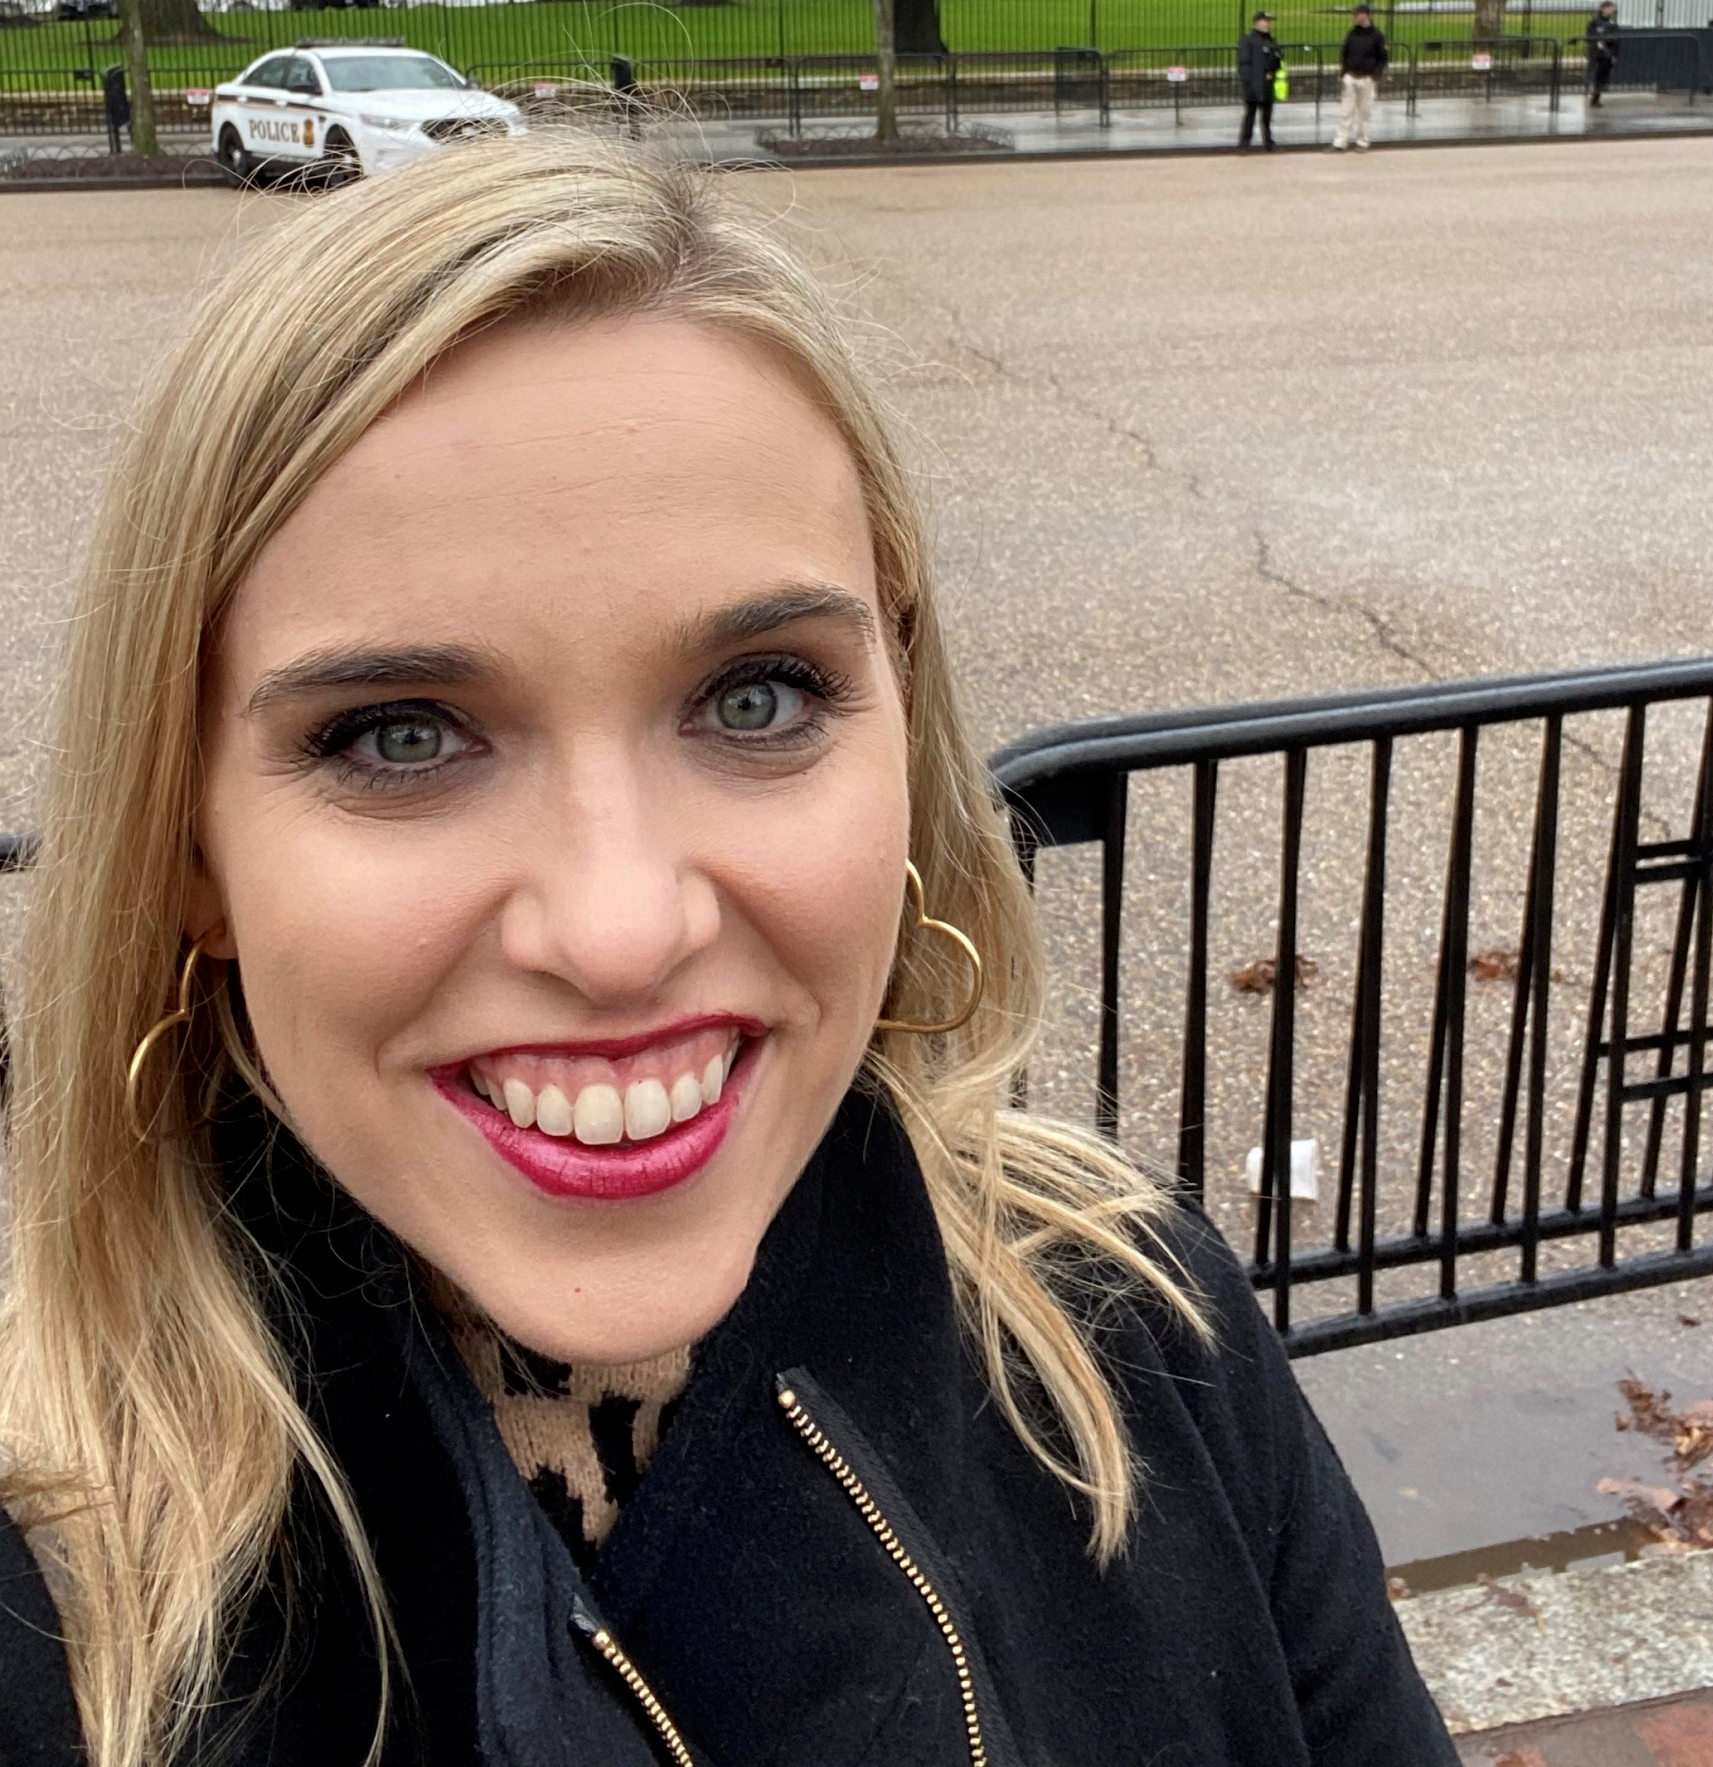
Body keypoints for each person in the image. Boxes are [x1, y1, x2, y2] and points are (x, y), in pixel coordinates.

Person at [0, 142, 1458, 1767]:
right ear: (192, 848)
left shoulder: (1134, 1327)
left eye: (755, 697)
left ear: (901, 724)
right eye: (400, 734)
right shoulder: (35, 1576)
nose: (622, 931)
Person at [1332, 4, 1389, 150]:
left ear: (1366, 16)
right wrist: (1344, 74)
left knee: (1364, 113)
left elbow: (1383, 58)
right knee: (1346, 111)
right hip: (1351, 77)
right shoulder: (1352, 34)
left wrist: (1375, 76)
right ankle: (1340, 142)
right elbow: (1344, 53)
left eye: (1357, 14)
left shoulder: (1377, 35)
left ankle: (1363, 141)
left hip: (1366, 78)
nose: (1355, 17)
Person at [1236, 10, 1283, 149]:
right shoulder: (1248, 40)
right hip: (1254, 83)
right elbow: (1244, 63)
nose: (1267, 24)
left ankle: (1268, 142)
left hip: (1267, 84)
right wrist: (1247, 82)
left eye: (1269, 21)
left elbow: (1277, 61)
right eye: (1265, 21)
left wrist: (1273, 67)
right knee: (1250, 115)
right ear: (1257, 22)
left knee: (1267, 117)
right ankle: (1245, 143)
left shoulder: (1271, 41)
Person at [1586, 0, 1619, 106]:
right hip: (1597, 52)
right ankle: (1594, 96)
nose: (1612, 11)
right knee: (1596, 74)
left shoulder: (1612, 23)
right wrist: (1596, 42)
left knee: (1604, 74)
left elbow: (1615, 38)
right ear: (1603, 9)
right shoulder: (1595, 21)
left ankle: (1597, 95)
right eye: (1610, 8)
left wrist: (1614, 53)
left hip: (1608, 52)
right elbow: (1590, 35)